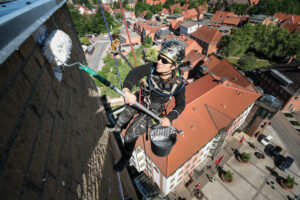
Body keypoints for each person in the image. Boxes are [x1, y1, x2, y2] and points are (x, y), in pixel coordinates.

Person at [107, 40, 187, 172]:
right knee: (123, 116)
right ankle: (117, 127)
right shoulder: (152, 68)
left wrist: (170, 118)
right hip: (141, 97)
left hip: (154, 110)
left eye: (165, 61)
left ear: (174, 66)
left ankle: (125, 158)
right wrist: (127, 90)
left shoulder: (178, 84)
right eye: (159, 58)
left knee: (130, 135)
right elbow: (135, 74)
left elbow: (181, 104)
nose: (159, 62)